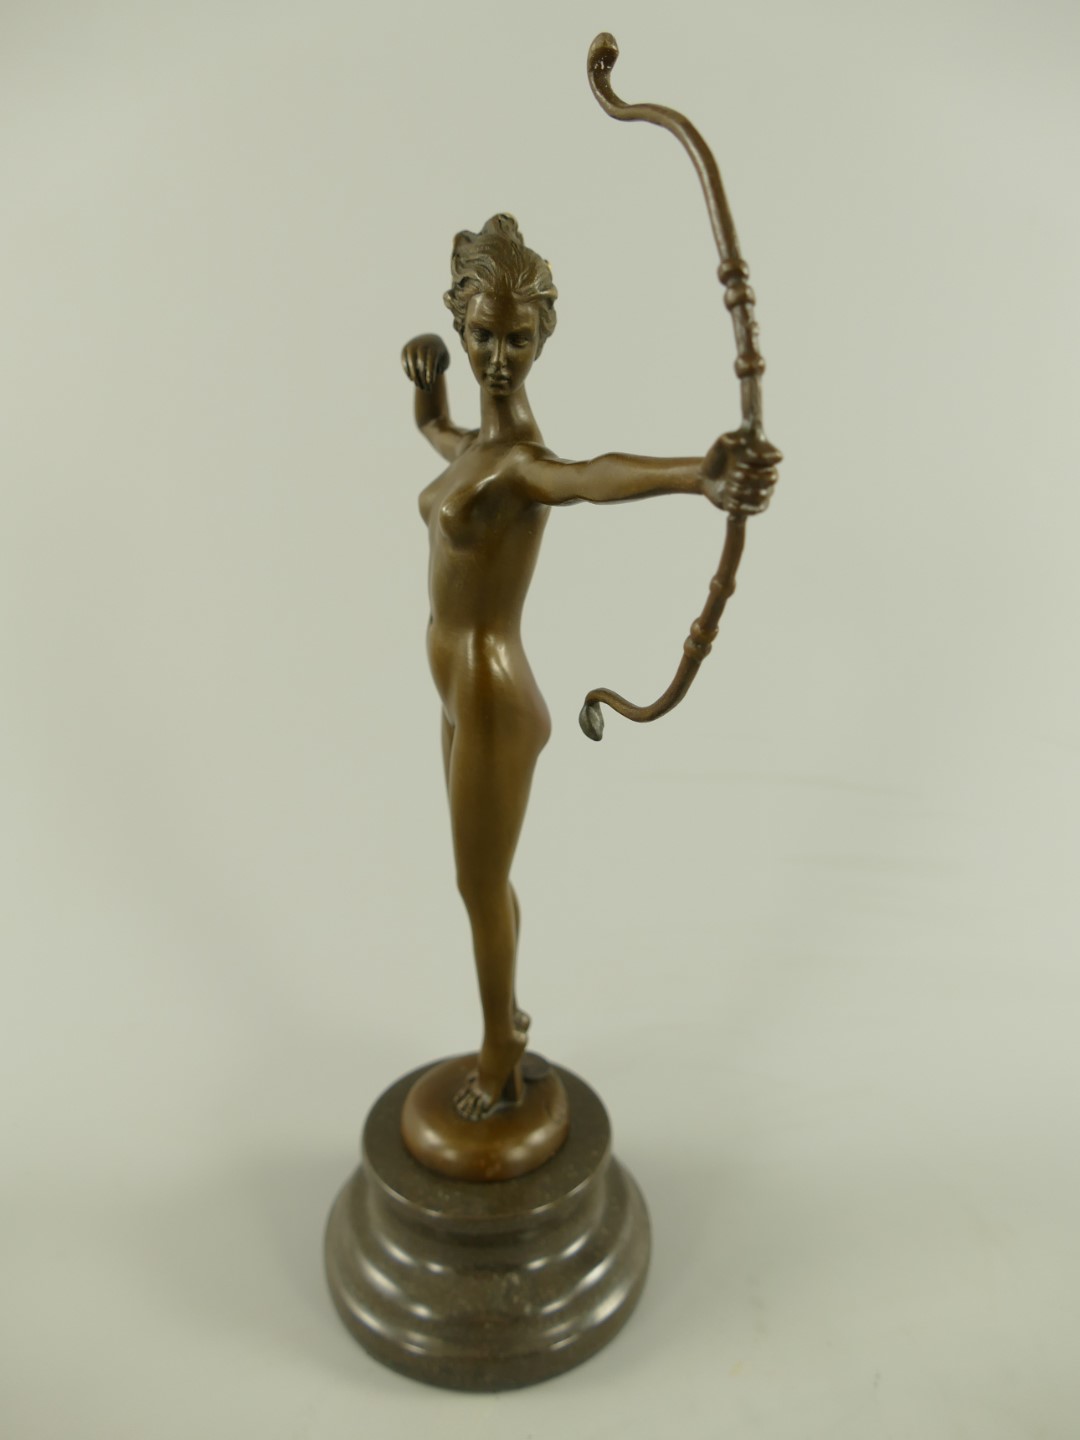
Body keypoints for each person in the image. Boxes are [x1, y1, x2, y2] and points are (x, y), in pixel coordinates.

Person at [402, 215, 708, 1120]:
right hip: (455, 690)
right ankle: (507, 1016)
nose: (499, 358)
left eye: (518, 340)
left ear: (544, 338)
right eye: (481, 336)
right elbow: (435, 429)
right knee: (481, 879)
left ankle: (500, 1045)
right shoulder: (477, 449)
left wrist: (699, 472)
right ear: (461, 324)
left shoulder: (524, 465)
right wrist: (428, 379)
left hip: (492, 697)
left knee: (478, 885)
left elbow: (591, 476)